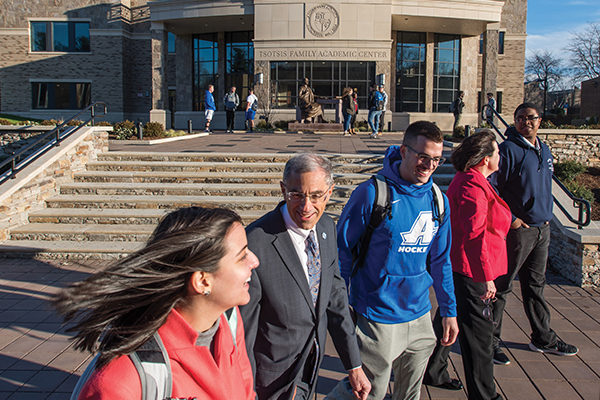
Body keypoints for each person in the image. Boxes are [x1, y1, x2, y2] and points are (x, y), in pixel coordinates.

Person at [54, 207, 259, 399]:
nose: (255, 261)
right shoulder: (123, 381)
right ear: (202, 280)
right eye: (242, 256)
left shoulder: (228, 320)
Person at [327, 121, 458, 400]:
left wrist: (449, 310)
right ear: (404, 151)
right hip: (378, 314)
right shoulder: (372, 193)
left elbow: (441, 260)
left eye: (436, 159)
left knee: (409, 395)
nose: (429, 165)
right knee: (364, 393)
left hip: (420, 313)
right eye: (423, 156)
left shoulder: (438, 200)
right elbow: (343, 253)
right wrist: (341, 306)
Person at [240, 153, 371, 400]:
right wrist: (245, 390)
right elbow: (243, 329)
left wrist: (353, 366)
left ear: (330, 193)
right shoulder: (256, 241)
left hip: (311, 369)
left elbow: (336, 299)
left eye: (316, 196)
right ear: (283, 190)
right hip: (269, 382)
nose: (306, 206)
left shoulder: (327, 228)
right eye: (297, 195)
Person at [490, 102, 579, 363]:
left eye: (530, 118)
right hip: (520, 231)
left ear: (540, 121)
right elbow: (492, 189)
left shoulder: (544, 149)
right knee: (502, 287)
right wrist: (513, 220)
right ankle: (490, 342)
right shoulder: (508, 150)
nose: (525, 122)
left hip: (543, 230)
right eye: (519, 118)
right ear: (514, 121)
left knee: (535, 286)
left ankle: (542, 337)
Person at [430, 130, 511, 400]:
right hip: (470, 269)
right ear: (486, 159)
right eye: (497, 152)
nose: (501, 156)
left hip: (465, 267)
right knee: (479, 339)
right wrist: (485, 276)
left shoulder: (475, 181)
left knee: (449, 316)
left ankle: (433, 369)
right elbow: (473, 236)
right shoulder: (471, 186)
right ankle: (485, 395)